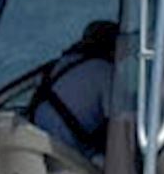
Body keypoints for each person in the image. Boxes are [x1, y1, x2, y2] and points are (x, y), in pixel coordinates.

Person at [30, 18, 118, 160]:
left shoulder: (54, 67)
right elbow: (119, 122)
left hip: (39, 148)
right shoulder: (105, 71)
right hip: (72, 158)